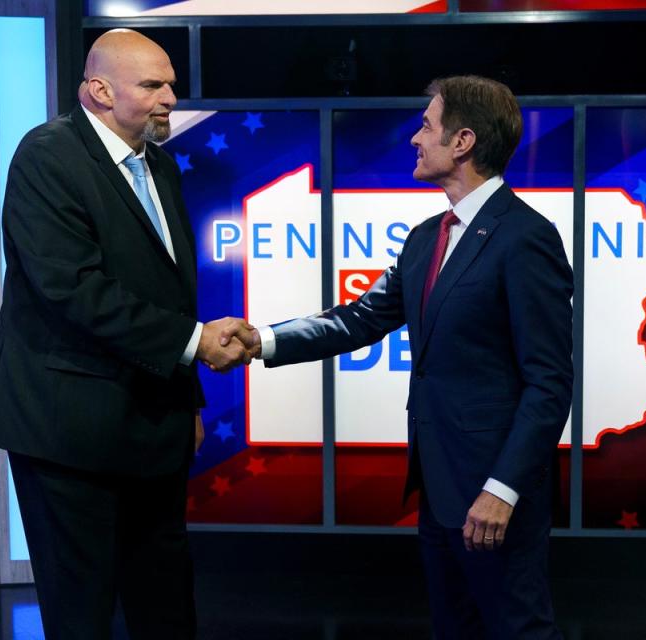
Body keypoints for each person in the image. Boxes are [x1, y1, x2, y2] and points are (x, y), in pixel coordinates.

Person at [227, 76, 573, 639]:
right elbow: (358, 318)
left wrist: (502, 489)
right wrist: (260, 340)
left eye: (427, 126)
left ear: (462, 142)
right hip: (438, 490)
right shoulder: (424, 239)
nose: (415, 138)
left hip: (493, 496)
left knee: (518, 630)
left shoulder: (525, 237)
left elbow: (549, 383)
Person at [0, 29, 250, 640]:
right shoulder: (47, 155)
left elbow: (169, 292)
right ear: (98, 90)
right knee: (83, 613)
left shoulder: (159, 164)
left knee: (166, 601)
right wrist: (195, 344)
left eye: (171, 84)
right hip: (67, 428)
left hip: (154, 422)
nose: (170, 98)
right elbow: (74, 290)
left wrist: (188, 397)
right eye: (153, 85)